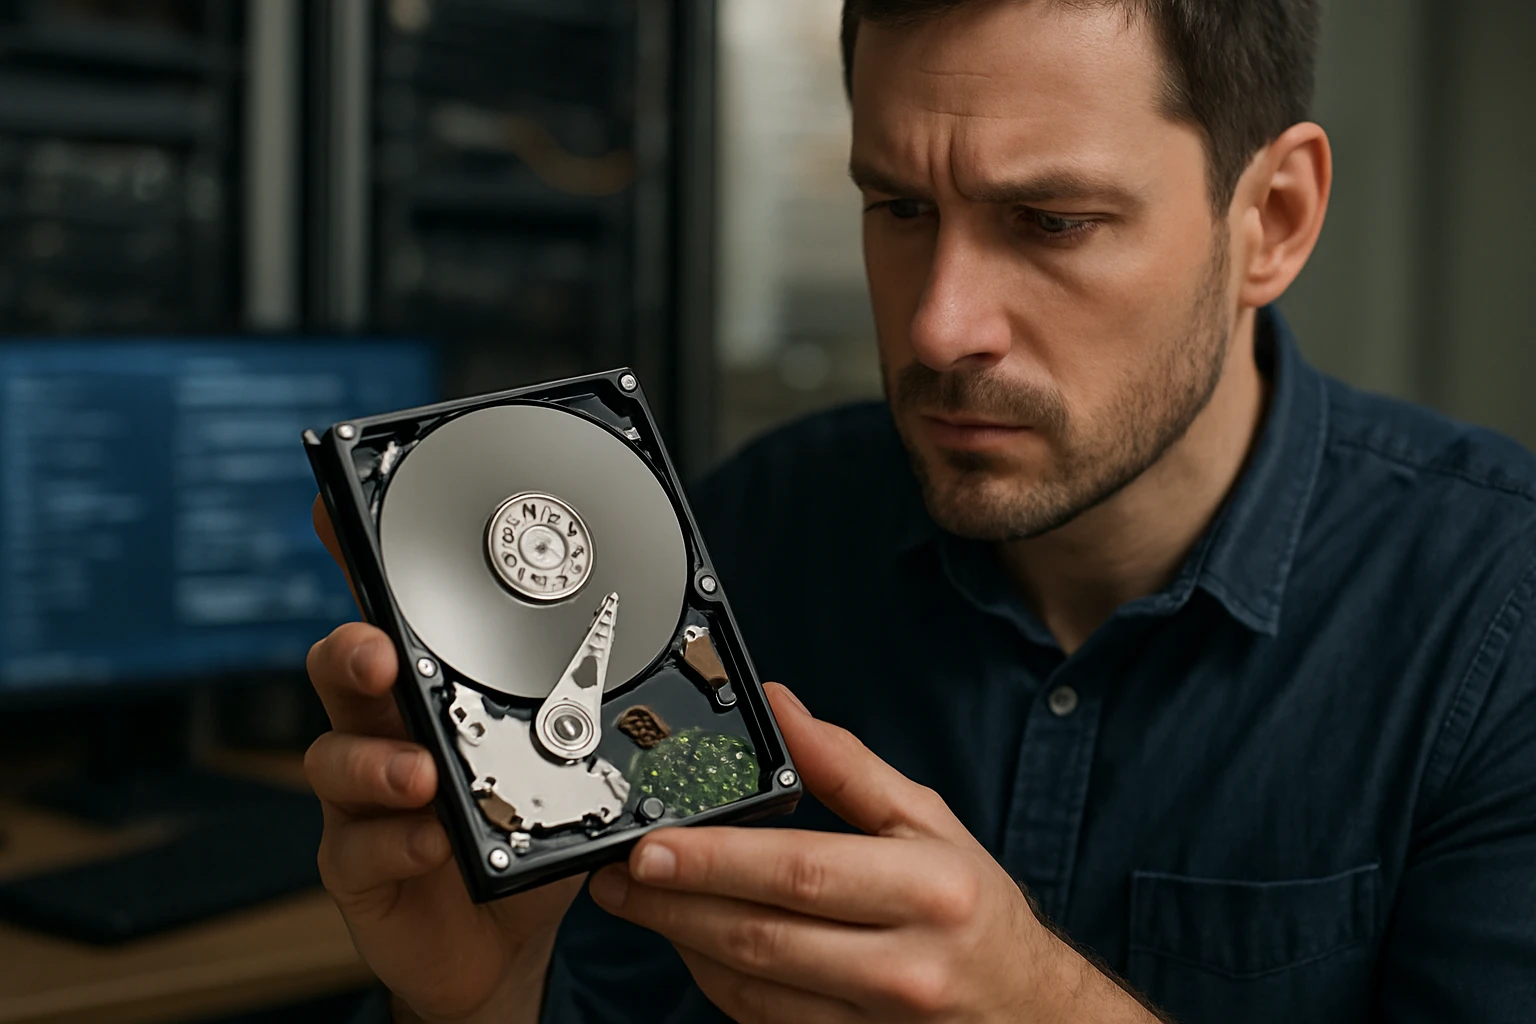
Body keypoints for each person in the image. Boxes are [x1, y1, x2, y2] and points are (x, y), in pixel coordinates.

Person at [309, 1, 1536, 1022]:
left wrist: (1038, 1007)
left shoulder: (1500, 616)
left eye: (1050, 221)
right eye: (899, 208)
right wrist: (494, 1001)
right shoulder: (751, 536)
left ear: (1272, 219)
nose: (942, 325)